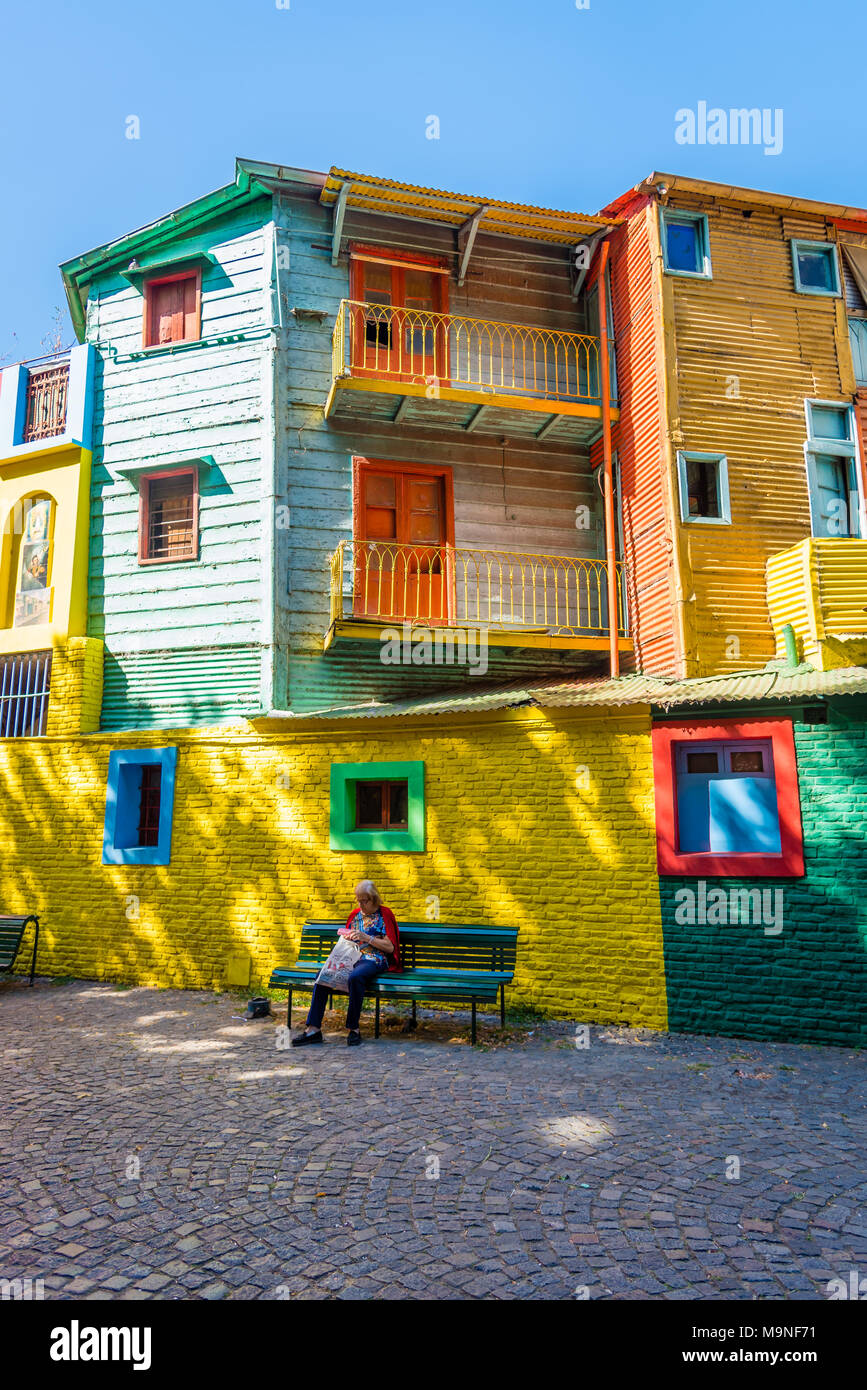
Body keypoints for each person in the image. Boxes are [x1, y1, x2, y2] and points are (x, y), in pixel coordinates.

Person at [292, 880, 400, 1047]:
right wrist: (348, 937)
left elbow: (390, 947)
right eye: (358, 900)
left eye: (364, 900)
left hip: (374, 959)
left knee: (355, 977)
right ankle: (313, 1029)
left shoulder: (384, 915)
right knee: (323, 975)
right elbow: (347, 938)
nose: (360, 904)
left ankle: (353, 1028)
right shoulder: (355, 915)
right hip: (351, 956)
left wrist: (368, 938)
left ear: (374, 899)